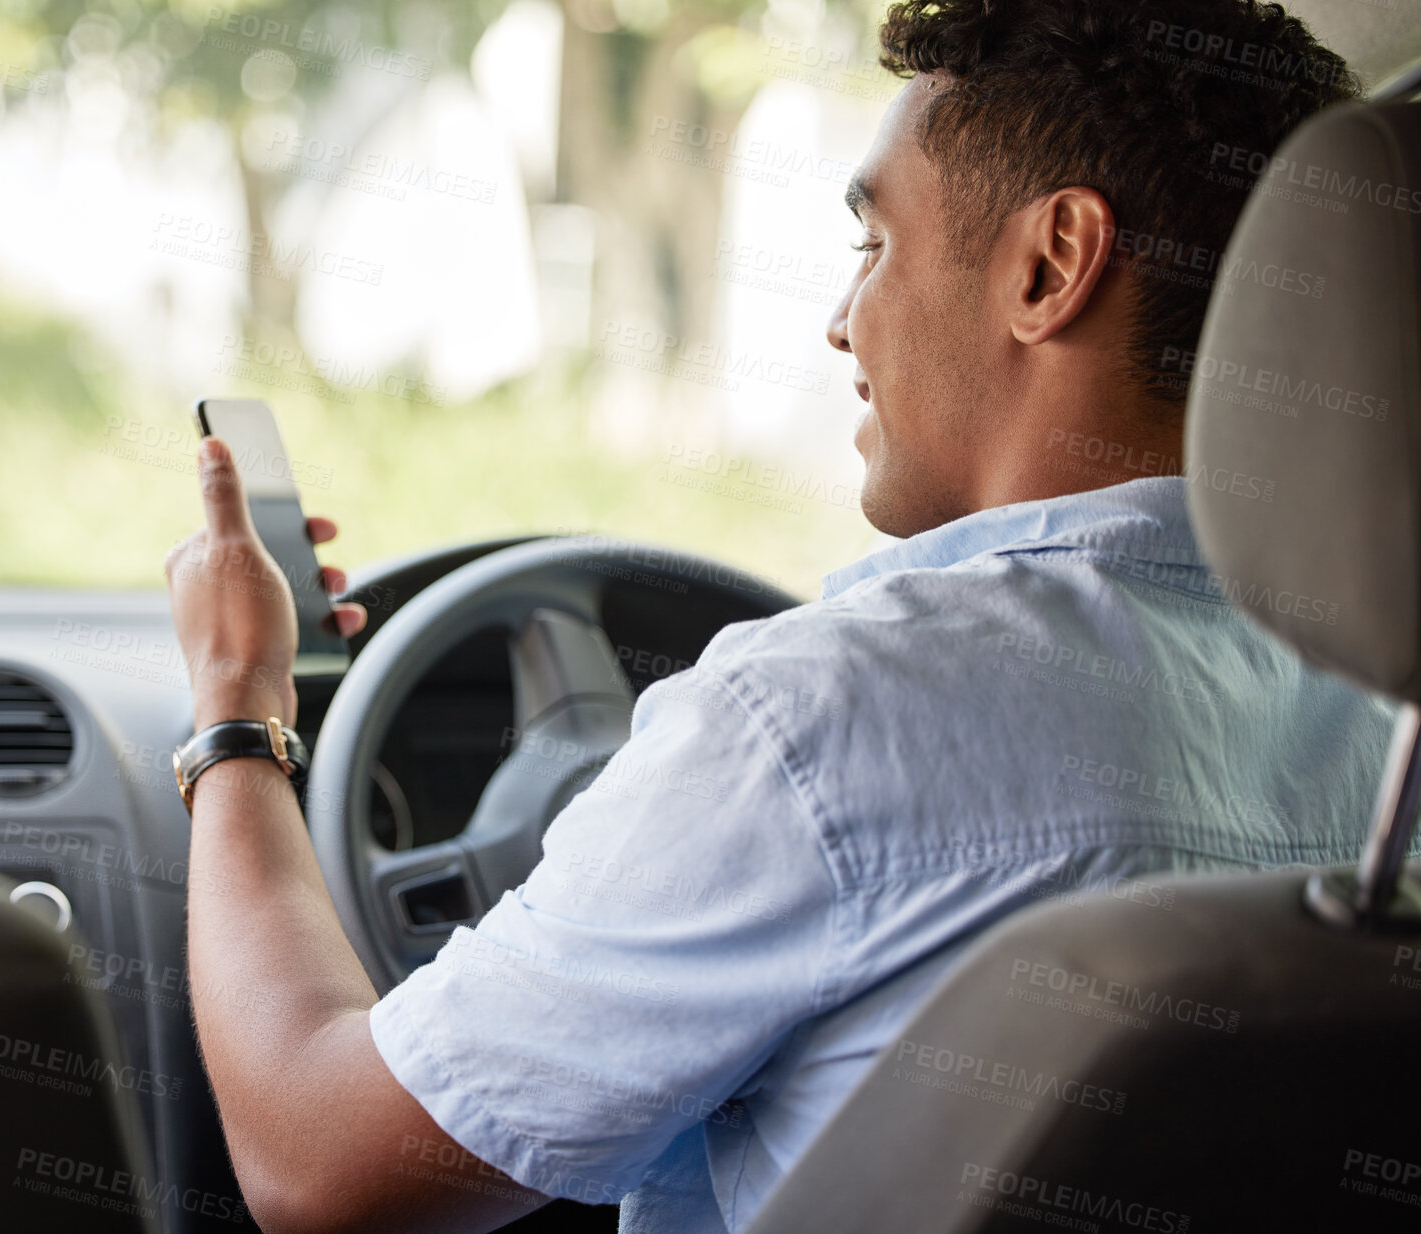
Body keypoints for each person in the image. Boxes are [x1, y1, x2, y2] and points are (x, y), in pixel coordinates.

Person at [163, 3, 1380, 1231]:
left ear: (1050, 263)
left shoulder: (825, 717)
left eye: (877, 243)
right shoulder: (1385, 722)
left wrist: (236, 710)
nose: (842, 319)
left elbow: (319, 1165)